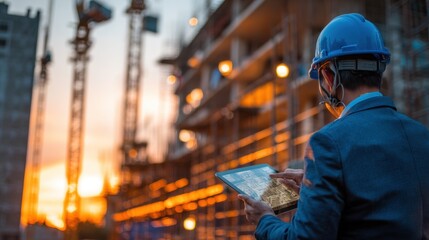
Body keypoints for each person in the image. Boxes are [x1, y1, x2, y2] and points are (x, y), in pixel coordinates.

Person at [238, 13, 429, 239]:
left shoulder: (328, 143)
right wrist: (317, 189)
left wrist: (265, 220)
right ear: (379, 69)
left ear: (328, 76)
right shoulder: (422, 136)